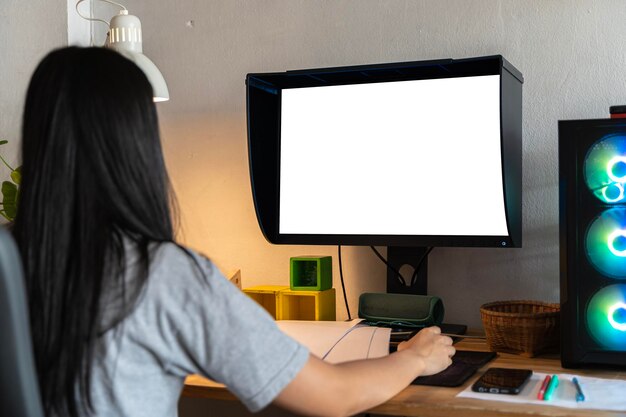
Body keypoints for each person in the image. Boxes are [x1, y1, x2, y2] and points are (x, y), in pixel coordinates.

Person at [14, 47, 455, 417]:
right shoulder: (162, 276)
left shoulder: (10, 260)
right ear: (135, 145)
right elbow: (335, 395)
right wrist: (414, 357)